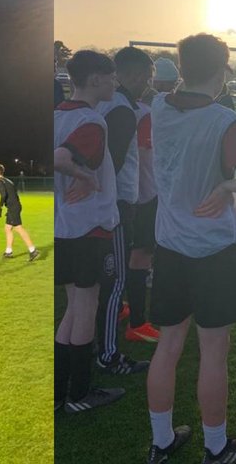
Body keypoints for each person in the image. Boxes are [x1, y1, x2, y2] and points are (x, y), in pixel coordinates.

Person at [144, 33, 236, 464]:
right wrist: (228, 184)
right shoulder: (223, 119)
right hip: (212, 248)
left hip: (169, 244)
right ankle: (216, 447)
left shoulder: (160, 107)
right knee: (213, 351)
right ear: (221, 68)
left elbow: (167, 97)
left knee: (168, 345)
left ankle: (161, 442)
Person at [54, 48, 124, 416]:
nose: (115, 82)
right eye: (110, 76)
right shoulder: (92, 121)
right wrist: (86, 177)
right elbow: (62, 159)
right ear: (95, 79)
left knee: (73, 308)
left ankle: (58, 392)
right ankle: (80, 393)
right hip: (89, 229)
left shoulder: (56, 115)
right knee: (86, 308)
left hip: (65, 228)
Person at [94, 46, 154, 376]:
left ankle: (98, 349)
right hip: (115, 205)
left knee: (98, 283)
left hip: (110, 203)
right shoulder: (121, 110)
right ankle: (108, 355)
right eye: (147, 74)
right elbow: (113, 163)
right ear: (131, 74)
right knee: (115, 282)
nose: (149, 81)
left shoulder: (116, 105)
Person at [126, 66, 160, 346]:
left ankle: (123, 307)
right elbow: (148, 155)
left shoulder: (105, 107)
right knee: (140, 256)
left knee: (120, 256)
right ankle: (137, 322)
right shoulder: (141, 114)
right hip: (142, 195)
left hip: (121, 196)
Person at [0, 162, 39, 261]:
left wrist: (0, 207)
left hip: (13, 208)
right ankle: (8, 251)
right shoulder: (8, 181)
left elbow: (3, 195)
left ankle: (33, 250)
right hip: (15, 206)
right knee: (8, 228)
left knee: (18, 228)